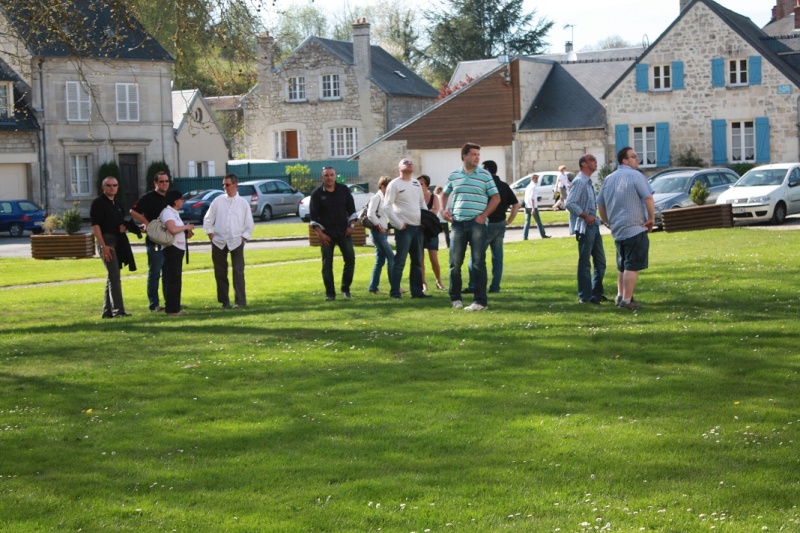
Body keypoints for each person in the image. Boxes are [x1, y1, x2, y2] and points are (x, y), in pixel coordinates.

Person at [441, 142, 500, 311]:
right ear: (464, 156)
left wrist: (484, 216)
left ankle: (480, 302)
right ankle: (455, 298)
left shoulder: (485, 176)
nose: (477, 157)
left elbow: (496, 198)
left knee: (478, 263)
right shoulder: (454, 175)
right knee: (454, 262)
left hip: (477, 223)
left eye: (478, 155)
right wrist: (443, 211)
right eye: (473, 154)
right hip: (458, 223)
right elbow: (444, 194)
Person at [597, 147, 655, 311]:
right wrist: (651, 218)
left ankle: (620, 295)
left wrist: (607, 221)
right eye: (634, 157)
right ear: (624, 160)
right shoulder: (635, 176)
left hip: (618, 230)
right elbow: (648, 197)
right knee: (632, 265)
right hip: (635, 227)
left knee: (622, 265)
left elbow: (600, 203)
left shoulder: (608, 179)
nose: (637, 159)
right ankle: (627, 301)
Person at [465, 160, 518, 294]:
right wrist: (509, 221)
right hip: (500, 224)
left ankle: (473, 285)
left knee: (475, 256)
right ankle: (495, 287)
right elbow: (516, 205)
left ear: (487, 170)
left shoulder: (485, 185)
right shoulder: (504, 186)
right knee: (497, 257)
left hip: (486, 224)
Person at [203, 173, 255, 309]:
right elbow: (208, 218)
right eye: (223, 185)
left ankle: (240, 301)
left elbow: (249, 223)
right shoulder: (218, 201)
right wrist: (210, 234)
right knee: (220, 272)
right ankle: (224, 301)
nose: (225, 187)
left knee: (238, 272)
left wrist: (244, 237)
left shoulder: (242, 203)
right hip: (219, 241)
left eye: (227, 185)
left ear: (235, 185)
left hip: (236, 241)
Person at [383, 158, 428, 299]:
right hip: (404, 229)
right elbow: (387, 206)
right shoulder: (394, 184)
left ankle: (417, 292)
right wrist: (398, 224)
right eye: (405, 162)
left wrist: (425, 221)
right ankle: (395, 292)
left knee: (417, 261)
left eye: (411, 163)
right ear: (399, 168)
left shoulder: (416, 183)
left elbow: (422, 204)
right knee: (400, 261)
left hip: (417, 228)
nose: (409, 164)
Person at [309, 166, 357, 301]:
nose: (329, 177)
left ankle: (345, 289)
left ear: (335, 176)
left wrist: (351, 226)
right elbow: (313, 219)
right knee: (326, 265)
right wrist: (321, 234)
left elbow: (352, 211)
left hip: (344, 233)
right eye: (326, 175)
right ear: (322, 177)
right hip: (326, 235)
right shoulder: (316, 194)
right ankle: (330, 294)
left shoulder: (344, 190)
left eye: (331, 175)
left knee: (350, 260)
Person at [566, 154, 607, 305]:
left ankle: (596, 293)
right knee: (585, 263)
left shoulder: (588, 182)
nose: (596, 162)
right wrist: (585, 216)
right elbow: (570, 203)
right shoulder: (580, 182)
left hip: (593, 226)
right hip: (585, 227)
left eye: (595, 160)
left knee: (600, 262)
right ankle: (585, 296)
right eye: (592, 160)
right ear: (583, 164)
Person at [90, 177, 131, 319]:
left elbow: (120, 222)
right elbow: (95, 226)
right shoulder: (98, 203)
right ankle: (118, 311)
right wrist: (103, 246)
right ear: (103, 187)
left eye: (115, 185)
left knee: (112, 275)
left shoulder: (117, 204)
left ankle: (107, 311)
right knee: (114, 276)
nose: (112, 188)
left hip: (117, 240)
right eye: (109, 185)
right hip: (106, 241)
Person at [130, 171, 170, 312]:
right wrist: (149, 224)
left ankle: (170, 301)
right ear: (155, 183)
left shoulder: (169, 198)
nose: (164, 184)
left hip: (169, 240)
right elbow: (133, 211)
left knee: (168, 272)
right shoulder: (148, 197)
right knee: (155, 271)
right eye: (161, 181)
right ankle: (154, 304)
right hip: (155, 240)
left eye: (166, 181)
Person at [160, 190, 195, 316]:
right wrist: (186, 227)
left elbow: (177, 229)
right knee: (173, 279)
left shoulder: (174, 212)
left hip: (178, 248)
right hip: (172, 248)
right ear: (175, 201)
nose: (182, 201)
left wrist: (186, 232)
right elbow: (172, 229)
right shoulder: (168, 212)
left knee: (176, 278)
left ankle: (175, 307)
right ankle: (172, 309)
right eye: (181, 199)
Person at [417, 174, 444, 292]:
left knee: (433, 258)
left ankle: (439, 281)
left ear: (426, 185)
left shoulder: (434, 197)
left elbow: (435, 211)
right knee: (420, 259)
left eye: (421, 183)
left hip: (431, 231)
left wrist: (423, 214)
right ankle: (423, 283)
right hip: (419, 230)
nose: (418, 186)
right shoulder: (415, 197)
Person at [367, 176, 393, 295]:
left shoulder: (384, 198)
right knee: (391, 257)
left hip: (383, 232)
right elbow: (370, 214)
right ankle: (395, 286)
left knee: (380, 260)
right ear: (382, 187)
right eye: (388, 187)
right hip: (378, 233)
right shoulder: (376, 197)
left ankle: (373, 287)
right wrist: (379, 227)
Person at [522, 174, 550, 240]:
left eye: (537, 178)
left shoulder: (528, 186)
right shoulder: (533, 187)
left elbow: (529, 197)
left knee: (527, 222)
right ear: (532, 179)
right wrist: (533, 208)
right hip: (532, 207)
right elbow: (531, 198)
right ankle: (543, 234)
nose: (537, 180)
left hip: (527, 206)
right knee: (538, 222)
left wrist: (537, 199)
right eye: (536, 178)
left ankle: (525, 236)